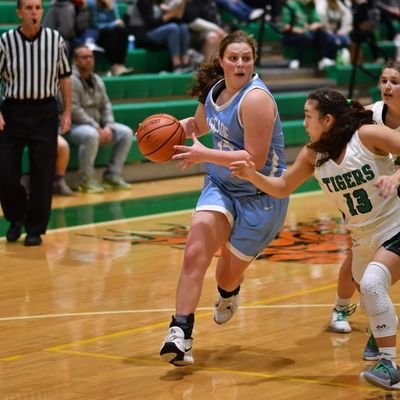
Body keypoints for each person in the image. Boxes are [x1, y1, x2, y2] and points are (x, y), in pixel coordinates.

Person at [230, 87, 400, 391]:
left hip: (395, 224)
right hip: (362, 236)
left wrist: (395, 177)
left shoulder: (367, 135)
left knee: (373, 284)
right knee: (370, 292)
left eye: (309, 116)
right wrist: (251, 175)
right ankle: (381, 336)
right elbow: (283, 186)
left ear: (328, 120)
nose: (304, 122)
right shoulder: (313, 155)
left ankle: (390, 365)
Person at [159, 30, 289, 367]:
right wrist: (163, 133)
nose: (240, 64)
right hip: (222, 186)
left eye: (247, 58)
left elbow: (254, 161)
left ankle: (229, 293)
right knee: (194, 252)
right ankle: (180, 331)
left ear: (253, 62)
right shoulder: (213, 91)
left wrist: (204, 155)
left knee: (224, 277)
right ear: (222, 61)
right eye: (234, 58)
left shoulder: (256, 99)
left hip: (261, 195)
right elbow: (199, 125)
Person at [329, 60, 400, 360]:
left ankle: (379, 329)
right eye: (384, 80)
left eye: (394, 82)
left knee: (376, 271)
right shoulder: (371, 115)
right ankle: (342, 307)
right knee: (359, 256)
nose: (387, 87)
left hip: (395, 192)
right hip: (373, 196)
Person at [0, 0, 72, 246]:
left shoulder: (54, 39)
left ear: (42, 11)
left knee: (42, 174)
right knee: (6, 172)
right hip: (12, 110)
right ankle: (16, 217)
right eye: (28, 8)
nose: (34, 12)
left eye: (38, 8)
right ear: (19, 12)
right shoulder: (6, 40)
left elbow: (65, 77)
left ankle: (34, 228)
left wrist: (68, 112)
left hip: (44, 111)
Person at [68, 44, 133, 194]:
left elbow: (106, 105)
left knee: (126, 133)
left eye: (91, 57)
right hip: (72, 127)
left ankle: (112, 175)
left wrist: (109, 126)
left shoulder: (97, 79)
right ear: (75, 61)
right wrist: (96, 127)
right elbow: (74, 110)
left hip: (97, 125)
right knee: (90, 135)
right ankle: (85, 180)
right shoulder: (69, 80)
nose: (89, 60)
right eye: (84, 57)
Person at [125, 0, 193, 73]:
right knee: (173, 28)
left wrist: (177, 10)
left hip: (159, 31)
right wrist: (170, 15)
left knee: (183, 27)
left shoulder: (162, 2)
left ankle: (185, 62)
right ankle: (176, 65)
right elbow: (151, 23)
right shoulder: (143, 2)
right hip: (144, 34)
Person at [281, 0, 338, 70]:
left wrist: (315, 25)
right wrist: (300, 30)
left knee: (321, 32)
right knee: (306, 37)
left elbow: (319, 22)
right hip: (291, 35)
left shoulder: (310, 6)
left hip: (307, 33)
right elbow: (285, 27)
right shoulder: (291, 6)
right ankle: (296, 60)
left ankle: (322, 60)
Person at [85, 0, 133, 76]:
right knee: (109, 32)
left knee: (123, 31)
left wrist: (111, 9)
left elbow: (117, 20)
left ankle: (120, 64)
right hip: (97, 34)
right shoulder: (92, 3)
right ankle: (114, 66)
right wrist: (113, 24)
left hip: (111, 31)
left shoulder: (112, 2)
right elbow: (95, 25)